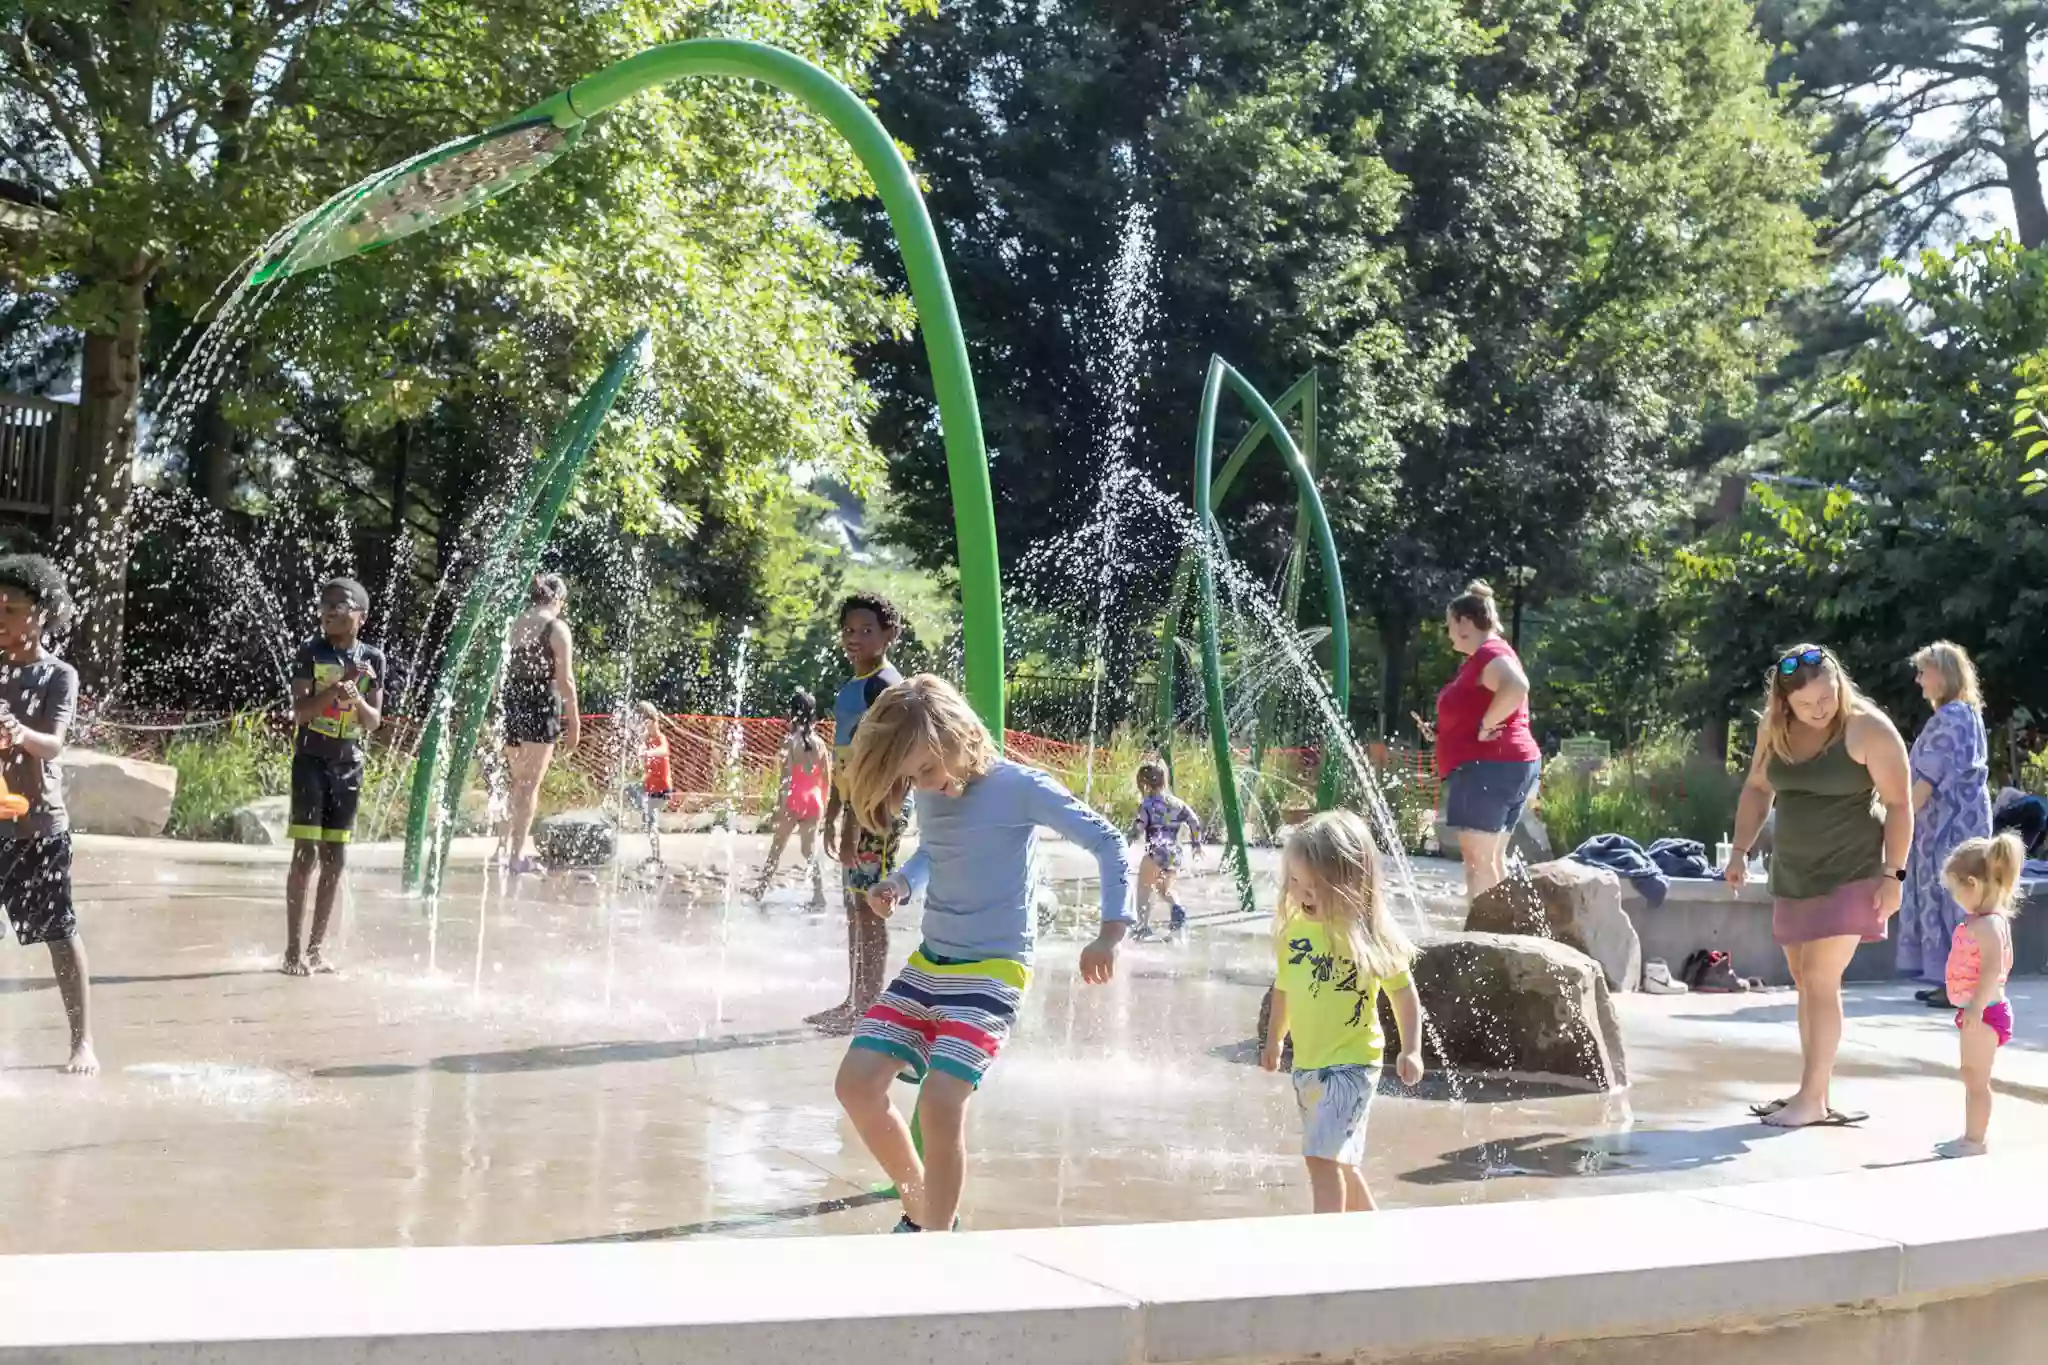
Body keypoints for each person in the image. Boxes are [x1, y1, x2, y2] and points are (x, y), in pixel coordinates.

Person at [833, 674, 1132, 1233]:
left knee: (941, 1103)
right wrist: (901, 882)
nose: (923, 783)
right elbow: (935, 852)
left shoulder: (1018, 787)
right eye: (910, 776)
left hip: (994, 969)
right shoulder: (930, 793)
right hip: (931, 964)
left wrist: (1110, 931)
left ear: (957, 734)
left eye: (925, 769)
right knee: (855, 1083)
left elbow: (1108, 842)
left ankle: (934, 1241)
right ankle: (923, 1206)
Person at [1729, 646, 1912, 1130]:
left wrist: (1895, 876)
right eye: (1807, 703)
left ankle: (1811, 1100)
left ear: (1839, 683)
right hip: (1794, 874)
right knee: (1805, 980)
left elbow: (1899, 805)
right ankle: (1815, 1093)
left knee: (1820, 977)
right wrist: (1738, 852)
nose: (1820, 708)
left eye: (1827, 695)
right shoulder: (1776, 729)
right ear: (1786, 702)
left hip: (1852, 873)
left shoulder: (1866, 728)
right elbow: (1757, 788)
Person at [1260, 809, 1425, 1213]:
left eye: (1314, 886)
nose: (1301, 894)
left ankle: (1325, 1246)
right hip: (1309, 1064)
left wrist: (1412, 1048)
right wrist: (1274, 1039)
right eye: (1295, 882)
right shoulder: (1294, 932)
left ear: (1350, 882)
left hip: (1352, 1064)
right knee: (1341, 1161)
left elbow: (1404, 995)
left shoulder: (1366, 935)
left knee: (1321, 1157)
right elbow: (1284, 988)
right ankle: (1371, 1238)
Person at [0, 556, 90, 1074]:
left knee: (59, 931)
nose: (2, 618)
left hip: (38, 828)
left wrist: (16, 732)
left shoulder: (58, 675)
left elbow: (52, 744)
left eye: (12, 608)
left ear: (43, 614)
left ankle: (82, 1042)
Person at [808, 592, 906, 1032]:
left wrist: (854, 820)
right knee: (854, 906)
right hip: (852, 808)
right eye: (849, 630)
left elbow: (883, 764)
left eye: (867, 630)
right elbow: (844, 757)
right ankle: (854, 1000)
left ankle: (869, 1005)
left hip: (873, 813)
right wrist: (832, 810)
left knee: (869, 905)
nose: (856, 638)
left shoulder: (885, 686)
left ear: (889, 634)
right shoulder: (854, 686)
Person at [284, 577, 385, 977]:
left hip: (349, 765)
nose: (329, 611)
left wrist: (355, 695)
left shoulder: (373, 658)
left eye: (340, 605)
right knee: (304, 855)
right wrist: (338, 686)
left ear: (360, 616)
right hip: (310, 760)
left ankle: (315, 950)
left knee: (335, 858)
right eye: (325, 604)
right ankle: (292, 951)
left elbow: (374, 722)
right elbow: (301, 713)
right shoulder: (310, 652)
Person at [1434, 581, 1542, 901]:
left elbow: (1517, 685)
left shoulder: (1489, 653)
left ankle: (1482, 942)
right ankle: (1502, 935)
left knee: (1477, 865)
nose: (1449, 633)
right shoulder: (1489, 655)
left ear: (1465, 622)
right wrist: (1444, 732)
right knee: (1491, 861)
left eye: (1449, 625)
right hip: (1507, 765)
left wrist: (1485, 725)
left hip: (1488, 768)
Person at [1899, 642, 1992, 1006]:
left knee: (1951, 900)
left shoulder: (1950, 718)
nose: (1919, 680)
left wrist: (1897, 823)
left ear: (1944, 674)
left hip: (1947, 831)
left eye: (1924, 672)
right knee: (1959, 901)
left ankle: (1960, 986)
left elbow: (1926, 782)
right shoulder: (1967, 714)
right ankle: (1952, 982)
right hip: (1960, 825)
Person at [1935, 833, 2022, 1159]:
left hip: (1985, 1011)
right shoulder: (1984, 921)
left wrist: (1974, 1006)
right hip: (1979, 1010)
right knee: (1971, 1074)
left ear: (1972, 883)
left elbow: (1991, 970)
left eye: (1956, 890)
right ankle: (1971, 1135)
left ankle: (1975, 1140)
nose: (1955, 898)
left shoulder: (1988, 926)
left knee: (1976, 1079)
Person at [501, 574, 579, 875]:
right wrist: (574, 723)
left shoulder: (516, 623)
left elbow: (503, 669)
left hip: (512, 701)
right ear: (557, 599)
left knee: (515, 781)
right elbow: (566, 680)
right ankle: (517, 857)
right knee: (529, 785)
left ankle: (502, 847)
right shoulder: (556, 628)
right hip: (539, 704)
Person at [752, 689, 831, 908]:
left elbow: (786, 778)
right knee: (809, 850)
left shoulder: (790, 742)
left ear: (792, 714)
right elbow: (827, 778)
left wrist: (779, 806)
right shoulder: (821, 744)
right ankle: (819, 893)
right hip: (814, 800)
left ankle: (760, 890)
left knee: (776, 848)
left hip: (794, 799)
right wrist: (824, 805)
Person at [1130, 758, 1202, 940]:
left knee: (1144, 889)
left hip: (1155, 851)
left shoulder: (1147, 805)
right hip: (1173, 854)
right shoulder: (1177, 803)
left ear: (1144, 784)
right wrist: (1196, 844)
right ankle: (1177, 909)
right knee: (1165, 890)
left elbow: (1139, 826)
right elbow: (1194, 821)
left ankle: (1142, 926)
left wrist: (1127, 840)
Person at [633, 701, 672, 865]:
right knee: (648, 819)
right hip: (650, 787)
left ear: (654, 722)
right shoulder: (647, 740)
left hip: (661, 789)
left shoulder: (660, 738)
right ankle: (655, 855)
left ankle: (656, 856)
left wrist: (648, 753)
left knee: (651, 822)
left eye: (647, 723)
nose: (645, 728)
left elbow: (664, 751)